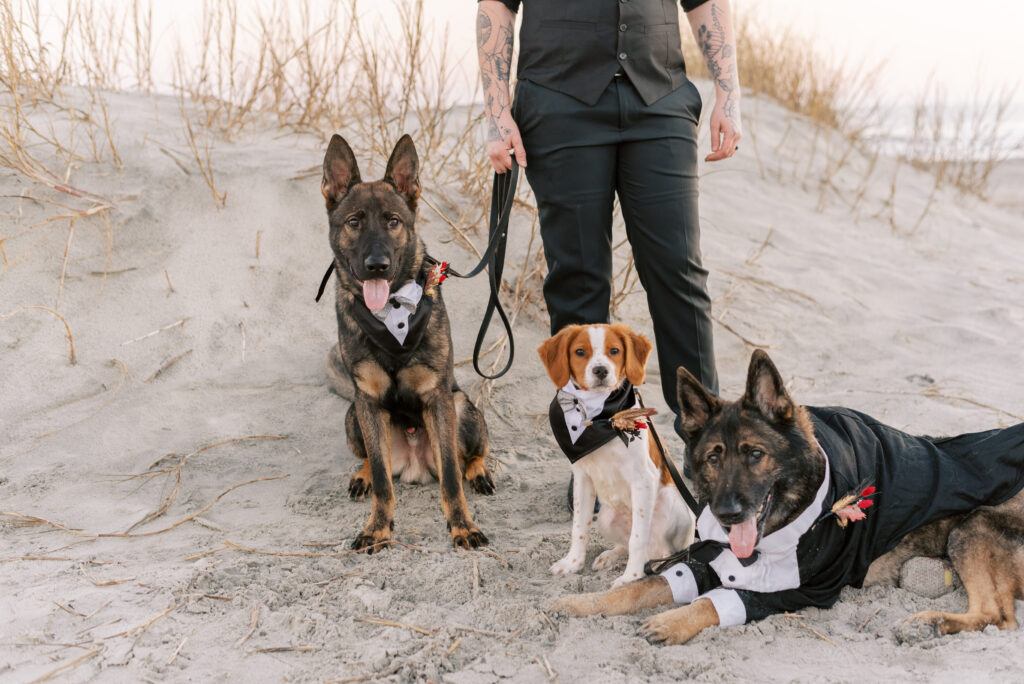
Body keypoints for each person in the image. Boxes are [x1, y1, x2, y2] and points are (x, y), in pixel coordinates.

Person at [476, 0, 741, 445]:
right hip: (558, 105)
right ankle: (595, 444)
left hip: (661, 99)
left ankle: (709, 444)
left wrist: (729, 96)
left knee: (679, 272)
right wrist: (496, 111)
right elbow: (495, 7)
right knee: (578, 278)